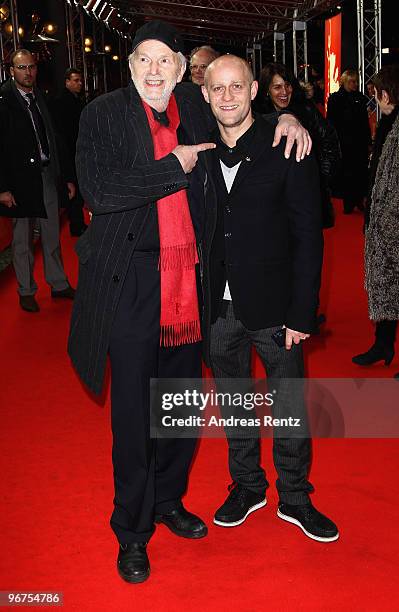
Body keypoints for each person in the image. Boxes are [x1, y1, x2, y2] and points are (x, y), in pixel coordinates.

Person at [67, 20, 311, 584]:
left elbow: (239, 120)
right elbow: (100, 191)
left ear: (182, 71)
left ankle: (169, 501)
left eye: (165, 62)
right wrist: (169, 168)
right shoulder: (101, 113)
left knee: (176, 407)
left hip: (188, 286)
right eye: (144, 60)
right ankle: (132, 529)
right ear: (130, 66)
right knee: (133, 415)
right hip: (130, 283)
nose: (155, 70)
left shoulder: (192, 109)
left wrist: (288, 119)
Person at [200, 54, 339, 542]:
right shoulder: (195, 149)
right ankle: (247, 485)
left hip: (277, 307)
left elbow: (308, 235)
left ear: (253, 90)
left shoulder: (286, 144)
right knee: (234, 402)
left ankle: (296, 496)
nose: (227, 97)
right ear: (204, 94)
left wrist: (303, 310)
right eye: (218, 89)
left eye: (237, 87)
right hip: (217, 307)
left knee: (288, 405)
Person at [0, 49, 76, 312]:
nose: (28, 72)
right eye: (22, 67)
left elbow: (56, 139)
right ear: (12, 71)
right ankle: (26, 289)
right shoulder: (3, 100)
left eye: (31, 67)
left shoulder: (42, 98)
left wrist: (64, 176)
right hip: (19, 181)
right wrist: (3, 188)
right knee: (22, 239)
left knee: (51, 233)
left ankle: (58, 283)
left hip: (46, 174)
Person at [352, 65, 399, 379]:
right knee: (388, 287)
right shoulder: (389, 124)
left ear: (387, 93)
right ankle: (383, 344)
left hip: (394, 222)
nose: (375, 100)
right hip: (384, 220)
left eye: (377, 94)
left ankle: (384, 344)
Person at [255, 62, 341, 229]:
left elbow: (329, 141)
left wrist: (319, 177)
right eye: (277, 87)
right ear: (266, 90)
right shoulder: (257, 117)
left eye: (287, 85)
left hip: (305, 194)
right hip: (272, 197)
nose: (284, 92)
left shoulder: (306, 109)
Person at [327, 69, 371, 214]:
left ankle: (358, 199)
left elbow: (365, 122)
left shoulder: (360, 98)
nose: (355, 84)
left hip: (359, 143)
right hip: (344, 143)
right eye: (352, 81)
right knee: (347, 173)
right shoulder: (335, 99)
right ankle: (348, 202)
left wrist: (368, 141)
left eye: (356, 81)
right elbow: (331, 123)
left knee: (360, 171)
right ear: (345, 81)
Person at [50, 67, 87, 236]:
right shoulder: (61, 102)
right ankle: (76, 224)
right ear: (67, 82)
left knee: (77, 190)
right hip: (68, 153)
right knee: (73, 189)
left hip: (75, 152)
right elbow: (62, 132)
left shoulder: (76, 100)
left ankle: (78, 223)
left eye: (80, 80)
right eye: (75, 80)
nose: (79, 84)